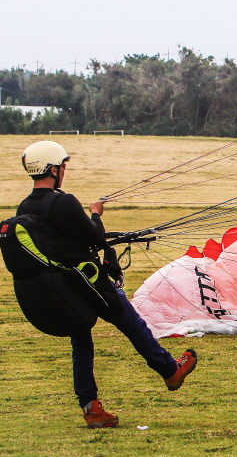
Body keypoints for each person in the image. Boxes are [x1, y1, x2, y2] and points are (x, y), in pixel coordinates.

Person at [15, 140, 197, 428]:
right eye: (62, 166)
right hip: (90, 282)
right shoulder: (64, 201)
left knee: (82, 342)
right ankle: (169, 370)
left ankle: (91, 409)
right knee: (131, 322)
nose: (64, 171)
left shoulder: (24, 206)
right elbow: (94, 237)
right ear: (53, 169)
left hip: (63, 288)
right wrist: (96, 213)